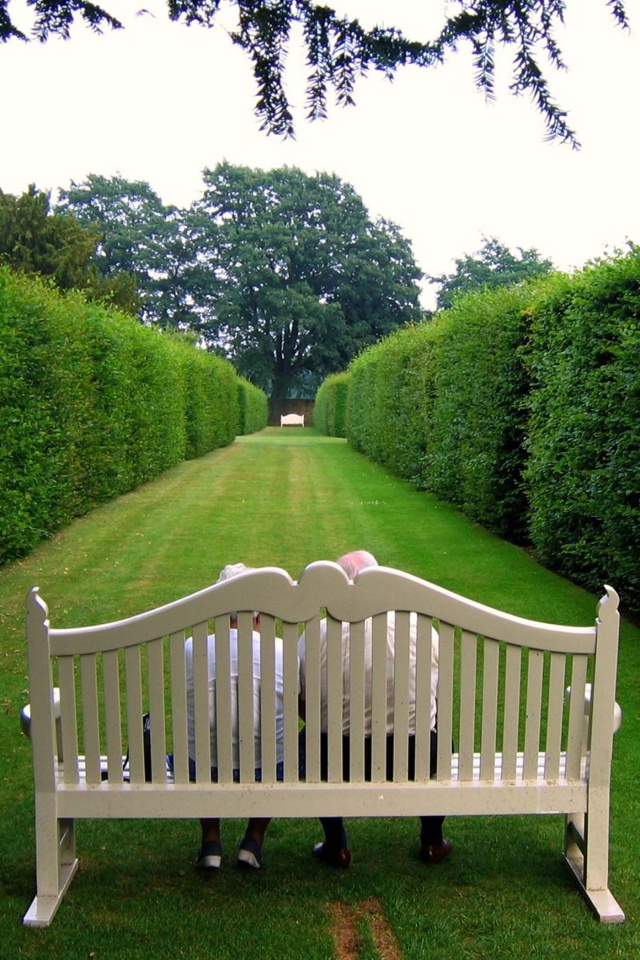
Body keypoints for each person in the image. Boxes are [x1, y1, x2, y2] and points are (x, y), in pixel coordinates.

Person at [297, 550, 450, 868]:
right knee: (439, 737)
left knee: (309, 739)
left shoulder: (318, 633)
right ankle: (433, 840)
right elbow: (434, 699)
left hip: (335, 758)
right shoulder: (421, 629)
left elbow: (303, 702)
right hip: (413, 755)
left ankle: (336, 844)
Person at [181, 563, 287, 872]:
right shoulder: (280, 649)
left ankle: (211, 842)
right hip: (266, 769)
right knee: (277, 749)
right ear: (258, 615)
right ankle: (253, 840)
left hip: (204, 768)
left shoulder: (192, 648)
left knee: (199, 749)